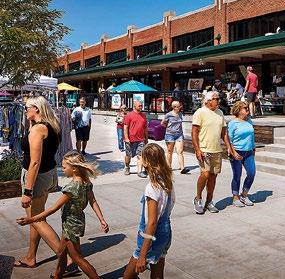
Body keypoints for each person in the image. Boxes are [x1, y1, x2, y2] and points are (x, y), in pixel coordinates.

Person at [17, 151, 109, 279]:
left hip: (70, 226)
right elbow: (93, 201)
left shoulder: (72, 188)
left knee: (78, 258)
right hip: (76, 223)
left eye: (65, 167)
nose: (63, 170)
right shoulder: (86, 183)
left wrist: (31, 219)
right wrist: (102, 219)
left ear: (74, 169)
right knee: (61, 254)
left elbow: (53, 208)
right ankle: (57, 276)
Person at [15, 96, 72, 271]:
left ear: (37, 109)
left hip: (36, 178)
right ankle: (31, 257)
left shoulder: (38, 129)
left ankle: (66, 259)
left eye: (28, 108)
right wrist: (31, 124)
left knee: (36, 219)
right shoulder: (51, 125)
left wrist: (28, 191)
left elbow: (34, 162)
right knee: (37, 218)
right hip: (48, 174)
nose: (25, 111)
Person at [123, 144, 175, 279]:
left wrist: (142, 255)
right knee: (157, 273)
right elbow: (169, 207)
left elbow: (151, 222)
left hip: (152, 236)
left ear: (146, 162)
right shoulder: (167, 182)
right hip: (165, 232)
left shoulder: (152, 188)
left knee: (128, 276)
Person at [192, 91, 236, 214]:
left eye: (218, 99)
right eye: (216, 99)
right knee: (205, 174)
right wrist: (197, 149)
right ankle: (198, 198)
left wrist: (228, 146)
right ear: (208, 101)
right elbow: (194, 132)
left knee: (213, 177)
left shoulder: (220, 113)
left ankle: (209, 201)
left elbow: (224, 133)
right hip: (204, 149)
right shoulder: (200, 112)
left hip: (217, 150)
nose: (218, 101)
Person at [228, 101, 256, 207]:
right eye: (245, 108)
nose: (247, 110)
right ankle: (235, 197)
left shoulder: (249, 121)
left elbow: (252, 136)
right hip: (237, 151)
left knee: (251, 173)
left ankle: (244, 195)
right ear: (239, 110)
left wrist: (253, 148)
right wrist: (233, 152)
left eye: (247, 108)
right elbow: (229, 139)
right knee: (237, 175)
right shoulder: (233, 123)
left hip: (249, 152)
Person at [161, 101, 189, 174]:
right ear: (175, 107)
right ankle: (168, 167)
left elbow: (180, 124)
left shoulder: (180, 114)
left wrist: (181, 133)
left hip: (179, 135)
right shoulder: (168, 115)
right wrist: (168, 128)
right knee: (170, 152)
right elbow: (162, 123)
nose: (180, 107)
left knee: (180, 152)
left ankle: (182, 168)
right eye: (179, 106)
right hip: (170, 135)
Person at [124, 100, 149, 178]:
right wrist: (126, 138)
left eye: (141, 105)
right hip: (130, 139)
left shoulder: (143, 115)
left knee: (140, 155)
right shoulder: (129, 115)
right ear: (134, 106)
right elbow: (125, 127)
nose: (141, 107)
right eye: (139, 106)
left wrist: (146, 138)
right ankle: (127, 166)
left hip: (141, 139)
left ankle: (139, 171)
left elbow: (145, 128)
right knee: (128, 155)